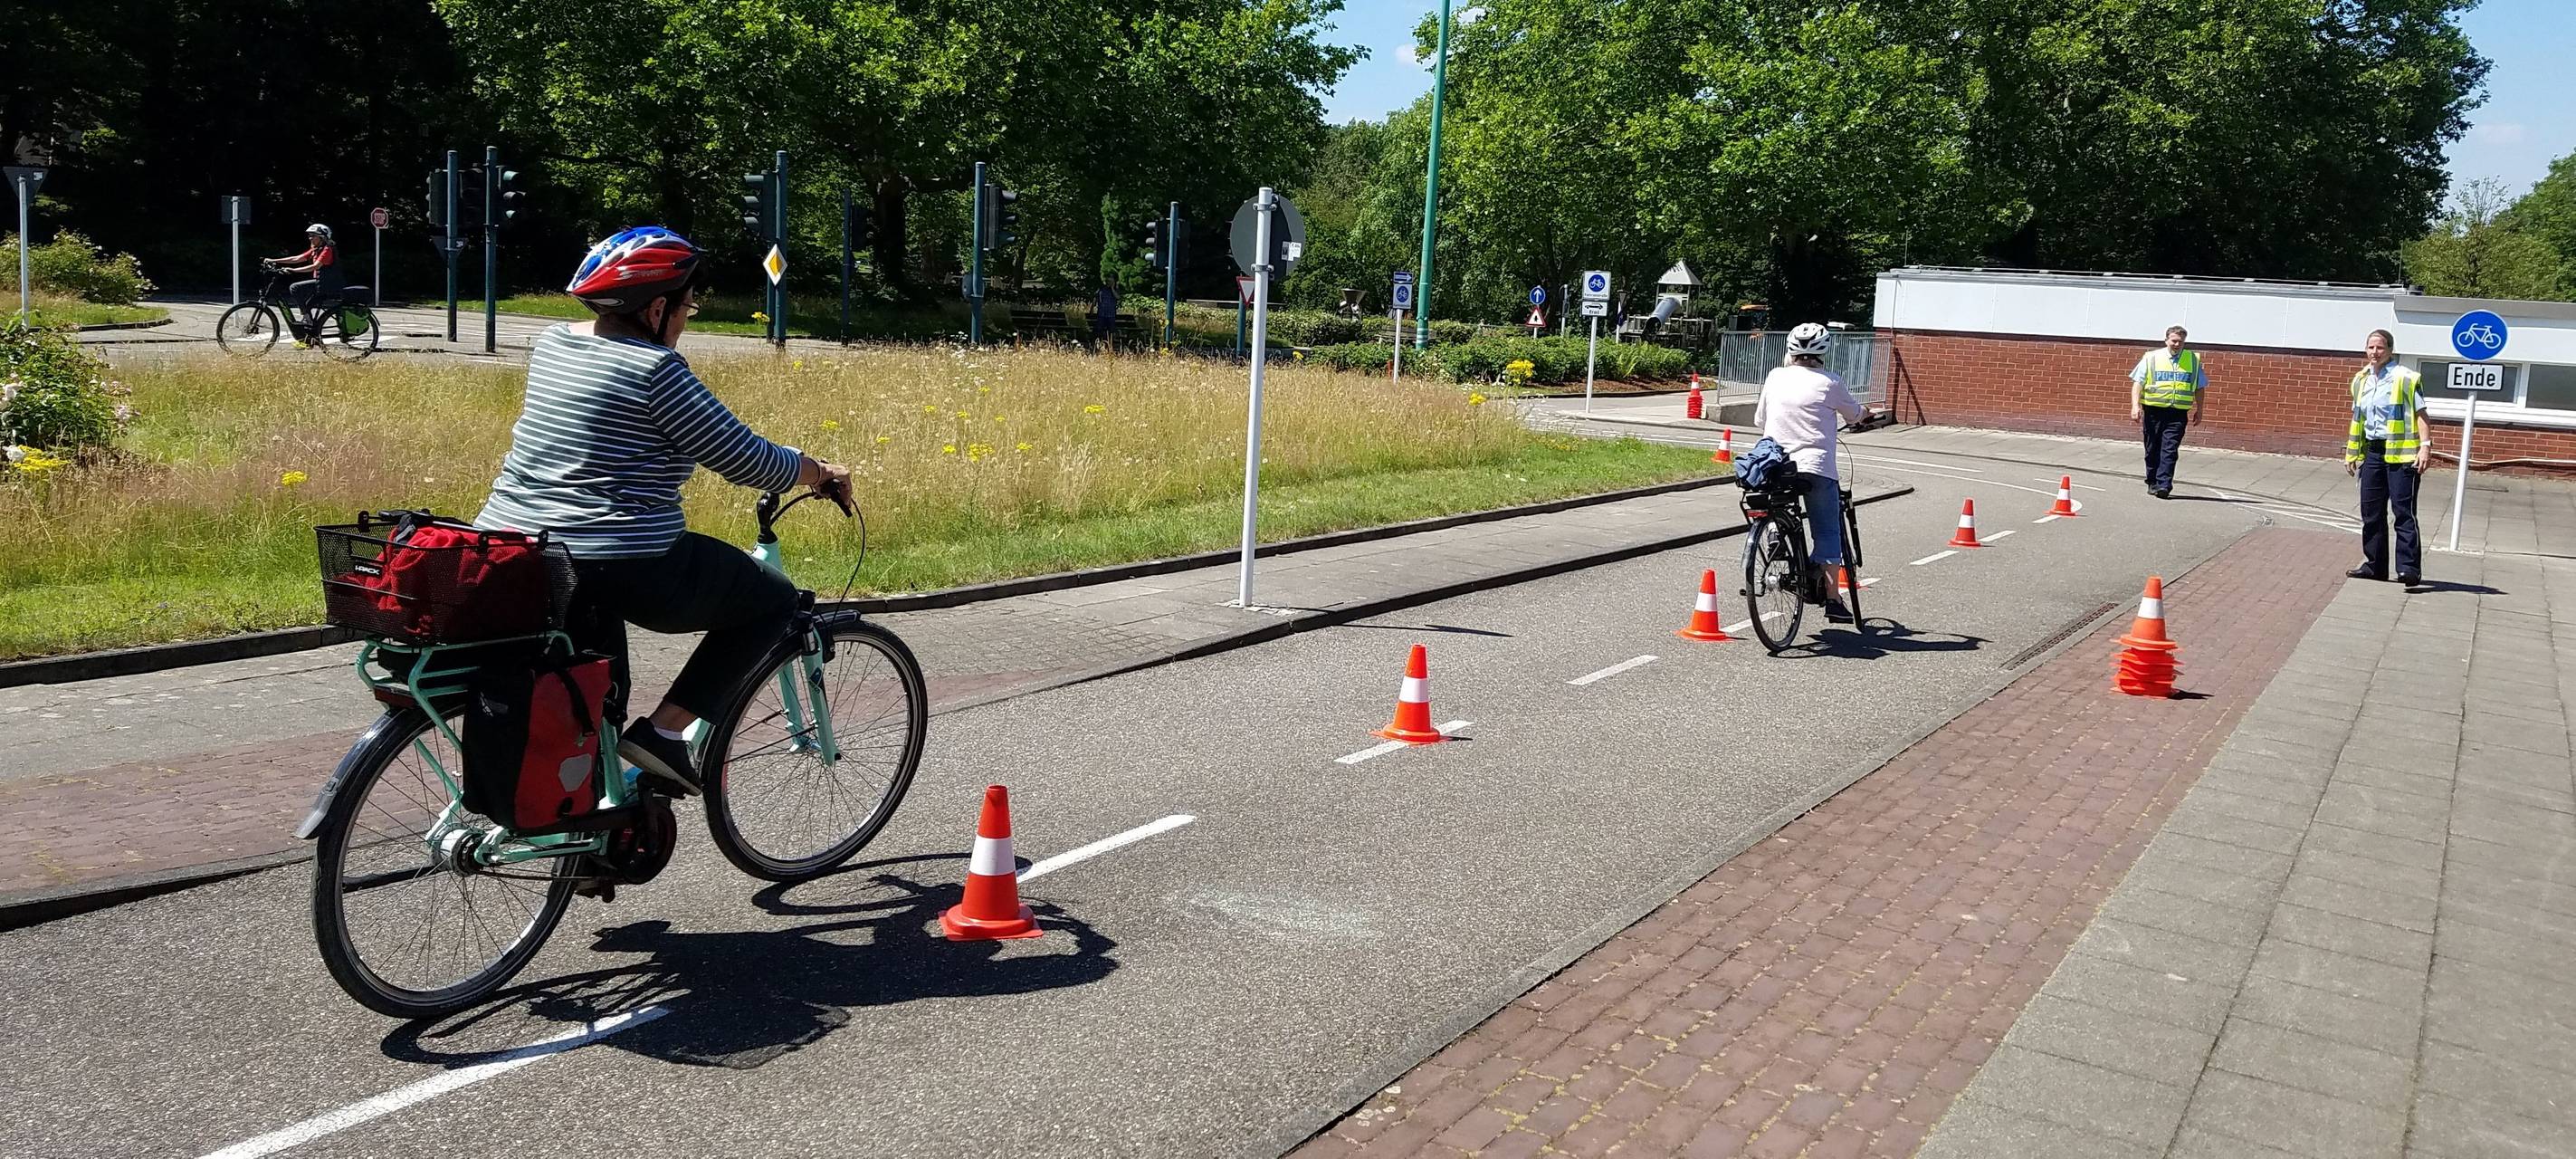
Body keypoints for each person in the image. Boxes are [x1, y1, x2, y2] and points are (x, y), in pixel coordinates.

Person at [475, 226, 854, 795]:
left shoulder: (553, 344)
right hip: (622, 558)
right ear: (656, 308)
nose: (686, 319)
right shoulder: (655, 371)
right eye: (686, 306)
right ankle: (664, 736)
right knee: (773, 599)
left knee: (592, 697)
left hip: (515, 547)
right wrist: (820, 473)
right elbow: (749, 460)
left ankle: (592, 827)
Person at [1755, 322, 1868, 621]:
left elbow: (1760, 420)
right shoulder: (1830, 382)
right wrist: (1865, 414)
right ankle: (1833, 599)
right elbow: (1854, 414)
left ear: (1790, 349)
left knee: (1780, 503)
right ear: (1824, 351)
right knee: (1828, 531)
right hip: (1815, 467)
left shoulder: (1775, 376)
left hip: (1775, 464)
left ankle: (1777, 532)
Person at [2346, 329, 2428, 587]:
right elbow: (2358, 419)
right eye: (2370, 347)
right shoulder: (2360, 380)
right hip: (2373, 453)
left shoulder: (2405, 378)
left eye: (2380, 348)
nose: (2374, 352)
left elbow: (2421, 415)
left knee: (2403, 513)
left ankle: (2409, 569)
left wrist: (2425, 447)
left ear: (2390, 350)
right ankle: (2375, 566)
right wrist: (2352, 453)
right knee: (2371, 512)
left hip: (2402, 455)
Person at [2128, 324, 2206, 499]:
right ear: (2166, 340)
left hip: (2177, 413)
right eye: (2174, 341)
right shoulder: (2151, 357)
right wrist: (2135, 406)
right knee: (2152, 448)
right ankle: (2152, 481)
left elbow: (2199, 387)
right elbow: (2138, 383)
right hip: (2153, 410)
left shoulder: (2193, 360)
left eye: (2181, 341)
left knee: (2170, 449)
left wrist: (2200, 409)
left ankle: (2164, 485)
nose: (2177, 345)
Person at [269, 224, 345, 333]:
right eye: (309, 236)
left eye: (313, 236)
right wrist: (274, 260)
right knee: (307, 307)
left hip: (327, 284)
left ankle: (307, 320)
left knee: (295, 288)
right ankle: (310, 332)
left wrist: (293, 270)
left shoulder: (327, 250)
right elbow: (297, 258)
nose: (310, 238)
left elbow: (315, 266)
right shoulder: (316, 249)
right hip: (321, 283)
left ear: (322, 237)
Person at [1092, 276, 1121, 350]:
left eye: (1111, 282)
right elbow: (1095, 298)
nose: (1109, 283)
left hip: (1111, 314)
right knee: (1099, 330)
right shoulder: (1101, 289)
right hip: (1101, 313)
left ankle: (1109, 345)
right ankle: (1097, 344)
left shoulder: (1115, 290)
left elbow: (1117, 297)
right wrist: (1092, 308)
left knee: (1111, 331)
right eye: (1108, 281)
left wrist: (1112, 288)